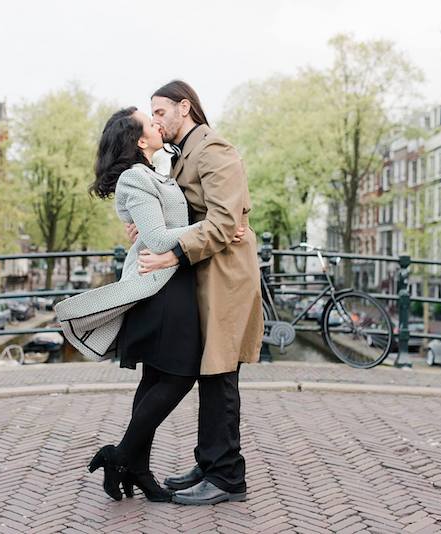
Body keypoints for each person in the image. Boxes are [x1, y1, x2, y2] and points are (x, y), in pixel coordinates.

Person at [54, 107, 243, 503]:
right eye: (149, 120)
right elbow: (158, 239)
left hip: (172, 286)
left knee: (156, 379)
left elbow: (162, 218)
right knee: (178, 376)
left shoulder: (157, 168)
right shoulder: (135, 176)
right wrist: (223, 228)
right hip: (162, 293)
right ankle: (121, 456)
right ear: (140, 140)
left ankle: (134, 465)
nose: (157, 124)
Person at [131, 80, 263, 505]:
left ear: (184, 107)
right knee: (209, 372)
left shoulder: (212, 149)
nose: (155, 120)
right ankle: (210, 462)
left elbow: (225, 223)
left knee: (221, 374)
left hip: (225, 277)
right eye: (152, 115)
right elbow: (190, 212)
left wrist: (171, 256)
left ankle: (227, 477)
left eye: (161, 112)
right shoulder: (184, 155)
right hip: (205, 274)